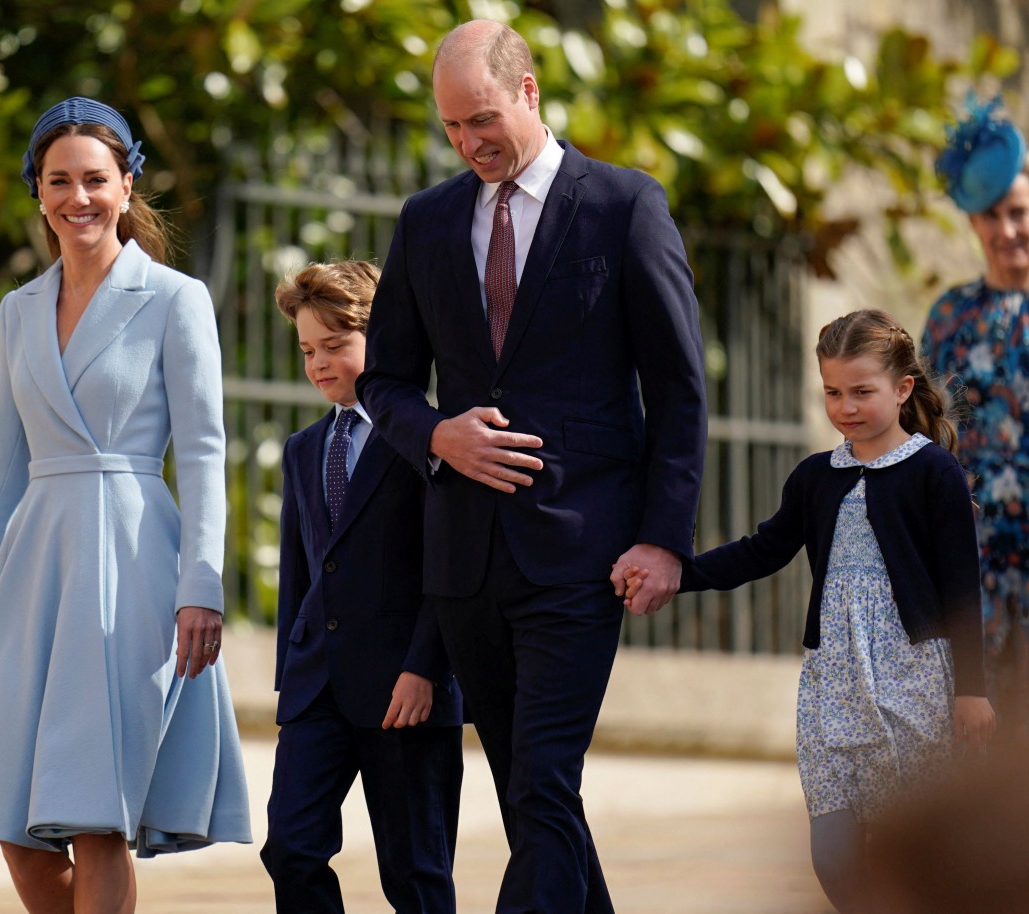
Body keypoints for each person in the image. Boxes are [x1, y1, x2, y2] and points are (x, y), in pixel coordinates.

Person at [356, 20, 708, 913]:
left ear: (529, 92)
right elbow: (388, 380)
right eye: (451, 129)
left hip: (583, 556)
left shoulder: (626, 205)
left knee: (545, 779)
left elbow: (678, 391)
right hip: (467, 564)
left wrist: (664, 539)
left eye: (481, 119)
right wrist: (438, 435)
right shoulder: (427, 222)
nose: (470, 143)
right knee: (532, 798)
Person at [0, 97, 251, 914]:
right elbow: (1, 464)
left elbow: (204, 452)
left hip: (131, 570)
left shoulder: (177, 298)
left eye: (96, 179)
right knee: (15, 827)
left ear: (128, 185)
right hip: (32, 576)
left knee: (95, 816)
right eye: (59, 181)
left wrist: (201, 586)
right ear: (37, 192)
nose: (79, 198)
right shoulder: (17, 310)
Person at [626, 310, 995, 913]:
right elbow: (760, 551)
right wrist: (676, 573)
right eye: (832, 392)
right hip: (832, 682)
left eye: (862, 392)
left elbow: (961, 590)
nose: (845, 406)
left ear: (903, 390)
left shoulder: (935, 473)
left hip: (914, 679)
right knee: (832, 855)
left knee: (918, 852)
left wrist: (972, 691)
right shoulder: (814, 478)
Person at [261, 260, 463, 912]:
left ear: (384, 341)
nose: (319, 363)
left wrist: (425, 668)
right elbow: (302, 572)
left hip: (407, 688)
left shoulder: (432, 439)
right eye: (307, 350)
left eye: (336, 346)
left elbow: (451, 566)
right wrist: (290, 675)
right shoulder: (302, 448)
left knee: (415, 876)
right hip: (317, 686)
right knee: (291, 848)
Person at [922, 95, 1029, 749]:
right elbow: (926, 436)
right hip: (971, 555)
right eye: (990, 215)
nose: (1006, 229)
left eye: (1019, 212)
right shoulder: (951, 316)